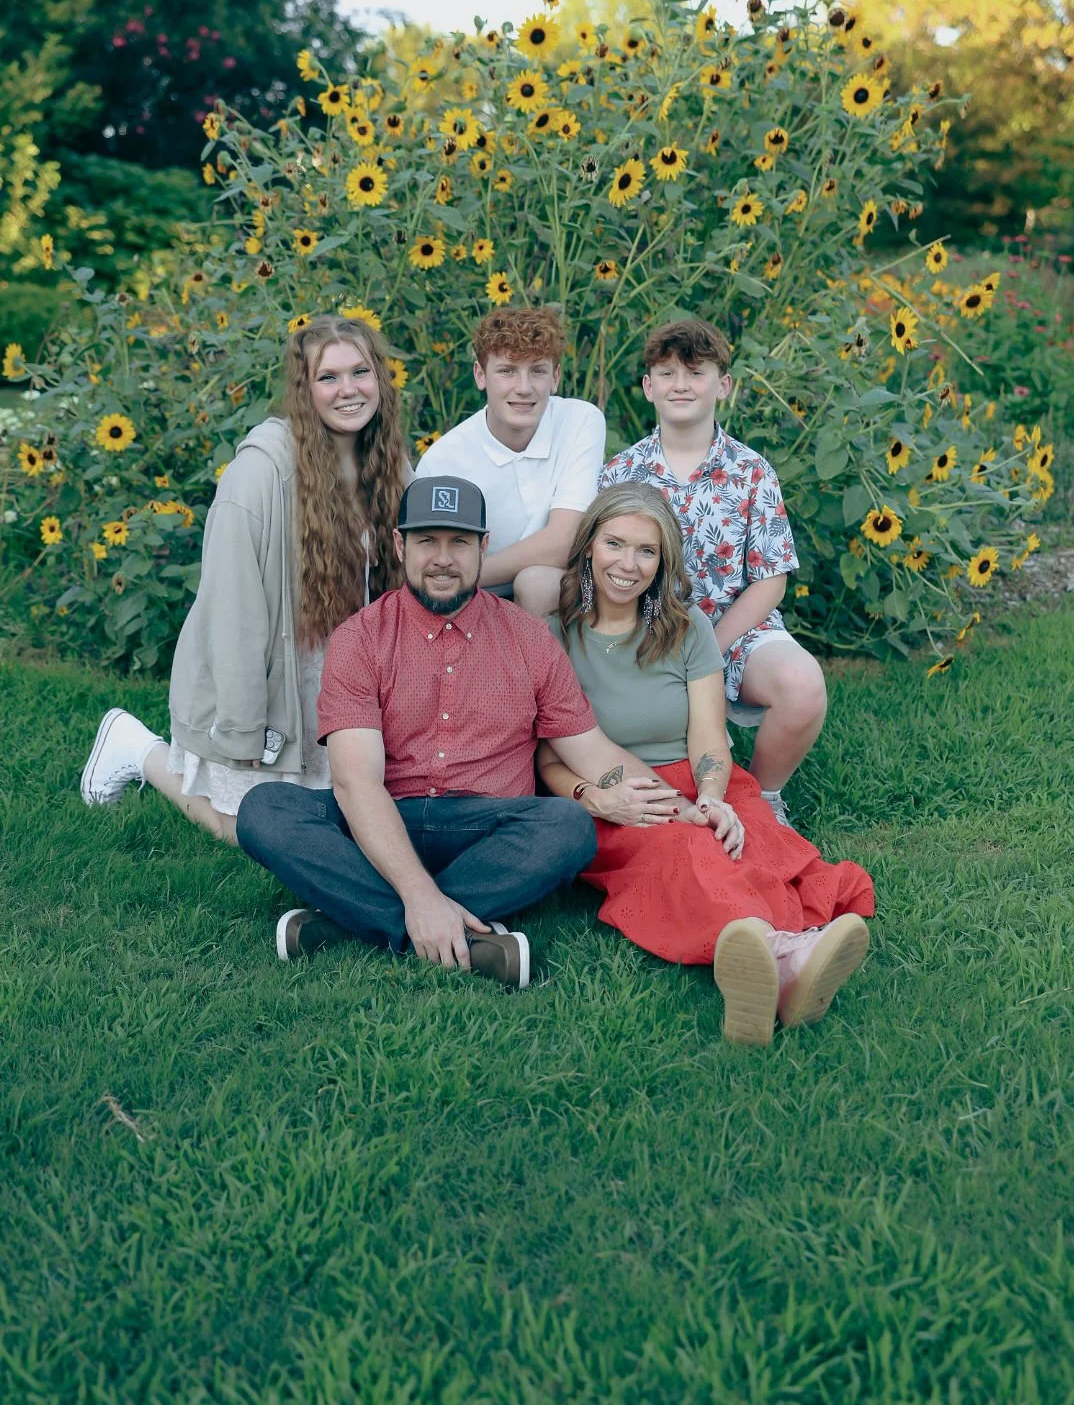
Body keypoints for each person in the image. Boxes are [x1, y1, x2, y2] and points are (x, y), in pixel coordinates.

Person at [236, 476, 700, 985]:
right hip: (387, 816)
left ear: (482, 548)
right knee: (266, 809)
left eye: (458, 542)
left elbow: (592, 751)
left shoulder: (528, 638)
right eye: (426, 541)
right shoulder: (360, 639)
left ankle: (355, 925)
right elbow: (356, 783)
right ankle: (446, 928)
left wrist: (685, 807)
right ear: (399, 545)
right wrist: (419, 896)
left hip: (488, 826)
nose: (442, 558)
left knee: (567, 827)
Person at [537, 486, 873, 1045]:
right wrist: (589, 796)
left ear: (663, 560)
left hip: (698, 776)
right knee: (688, 849)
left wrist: (712, 795)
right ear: (589, 546)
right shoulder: (554, 634)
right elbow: (548, 754)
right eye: (615, 544)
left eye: (646, 551)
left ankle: (772, 965)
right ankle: (784, 956)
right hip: (614, 795)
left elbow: (710, 738)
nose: (628, 564)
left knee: (746, 839)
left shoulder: (686, 626)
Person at [80, 313, 408, 845]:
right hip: (277, 678)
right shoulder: (263, 469)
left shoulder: (387, 461)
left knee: (350, 825)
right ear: (305, 389)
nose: (348, 390)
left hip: (344, 680)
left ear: (380, 380)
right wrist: (242, 722)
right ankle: (137, 750)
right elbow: (230, 607)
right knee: (253, 834)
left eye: (361, 372)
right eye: (329, 377)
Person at [598, 316, 827, 829]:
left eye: (696, 372)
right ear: (647, 387)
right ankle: (651, 795)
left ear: (723, 385)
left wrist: (711, 650)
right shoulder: (621, 473)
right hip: (646, 632)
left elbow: (771, 579)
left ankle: (763, 795)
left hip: (734, 632)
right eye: (667, 373)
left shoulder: (751, 472)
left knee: (803, 684)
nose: (681, 384)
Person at [414, 307, 606, 616]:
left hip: (550, 590)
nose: (524, 387)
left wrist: (469, 572)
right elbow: (429, 562)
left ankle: (544, 666)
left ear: (555, 377)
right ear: (480, 375)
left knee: (535, 583)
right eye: (507, 370)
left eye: (538, 371)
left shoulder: (580, 420)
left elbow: (566, 541)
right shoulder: (442, 461)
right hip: (472, 598)